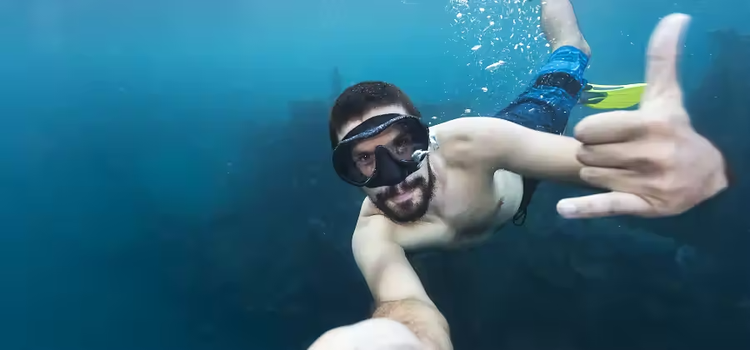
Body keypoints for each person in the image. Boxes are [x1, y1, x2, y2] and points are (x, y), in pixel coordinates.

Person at [309, 1, 730, 348]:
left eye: (402, 145)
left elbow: (597, 165)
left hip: (526, 132)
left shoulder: (475, 143)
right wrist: (400, 338)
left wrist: (667, 167)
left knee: (568, 55)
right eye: (364, 161)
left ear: (427, 137)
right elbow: (402, 301)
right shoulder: (374, 232)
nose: (392, 176)